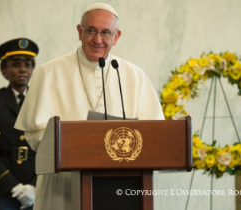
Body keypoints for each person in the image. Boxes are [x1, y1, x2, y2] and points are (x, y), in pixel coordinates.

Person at [15, 3, 164, 210]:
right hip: (63, 186)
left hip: (123, 186)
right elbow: (34, 134)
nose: (98, 39)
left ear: (116, 36)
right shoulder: (49, 73)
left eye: (105, 33)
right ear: (79, 31)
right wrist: (74, 144)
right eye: (91, 30)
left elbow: (155, 135)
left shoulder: (135, 76)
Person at [0, 38, 39, 210]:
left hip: (36, 191)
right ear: (4, 69)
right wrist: (13, 186)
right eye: (16, 65)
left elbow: (51, 147)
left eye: (27, 64)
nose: (22, 70)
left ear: (33, 68)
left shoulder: (41, 100)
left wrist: (34, 185)